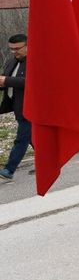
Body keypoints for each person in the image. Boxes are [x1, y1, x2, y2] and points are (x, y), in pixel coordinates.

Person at [0, 34, 29, 182]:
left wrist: (7, 80)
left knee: (22, 139)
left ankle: (8, 170)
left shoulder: (37, 60)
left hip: (31, 109)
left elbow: (31, 81)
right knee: (32, 138)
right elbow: (6, 80)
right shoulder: (12, 62)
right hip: (17, 107)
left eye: (17, 48)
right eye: (11, 49)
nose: (14, 52)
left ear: (28, 45)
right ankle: (53, 163)